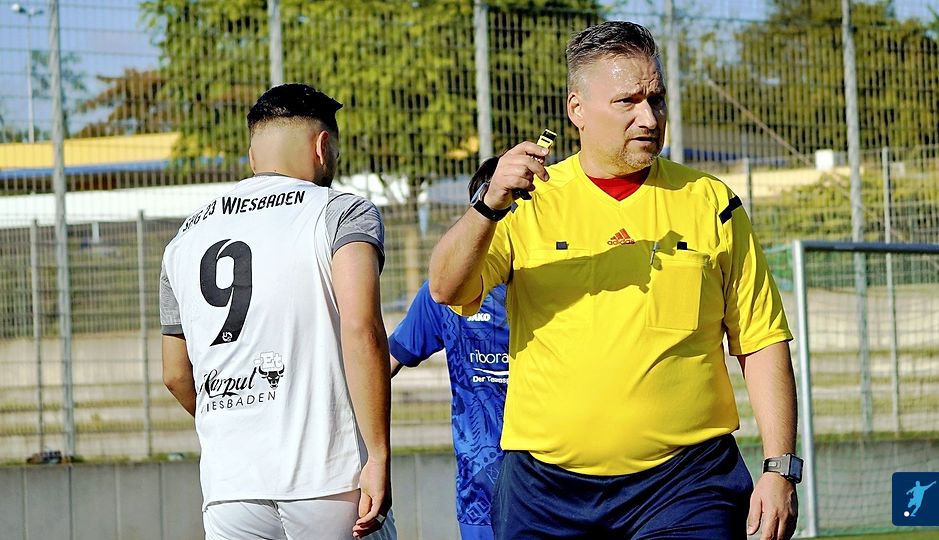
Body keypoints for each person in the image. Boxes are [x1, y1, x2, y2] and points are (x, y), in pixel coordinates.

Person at [428, 21, 800, 540]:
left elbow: (760, 339)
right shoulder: (527, 199)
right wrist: (487, 205)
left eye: (656, 99)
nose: (649, 117)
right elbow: (446, 288)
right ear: (576, 109)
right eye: (628, 101)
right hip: (544, 492)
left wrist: (780, 468)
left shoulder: (711, 202)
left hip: (687, 484)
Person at [159, 83, 394, 540]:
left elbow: (174, 374)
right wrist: (379, 455)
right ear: (322, 147)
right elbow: (361, 327)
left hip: (230, 488)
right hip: (328, 478)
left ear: (253, 157)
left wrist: (236, 425)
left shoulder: (184, 240)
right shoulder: (341, 212)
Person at [389, 156, 508, 540]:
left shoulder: (561, 288)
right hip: (481, 493)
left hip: (559, 487)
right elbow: (386, 360)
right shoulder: (444, 292)